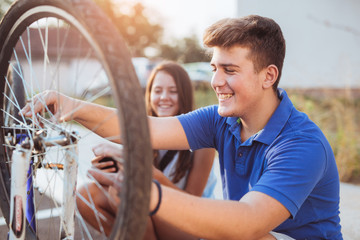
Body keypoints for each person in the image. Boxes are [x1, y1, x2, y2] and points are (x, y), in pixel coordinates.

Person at [21, 15, 343, 239]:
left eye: (230, 70)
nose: (216, 81)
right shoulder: (223, 119)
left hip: (264, 234)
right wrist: (72, 105)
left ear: (268, 76)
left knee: (239, 233)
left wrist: (149, 194)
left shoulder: (301, 143)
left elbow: (247, 223)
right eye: (215, 68)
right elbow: (144, 130)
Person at [75, 61, 217, 239]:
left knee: (124, 194)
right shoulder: (145, 133)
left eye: (173, 91)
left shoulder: (202, 138)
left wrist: (153, 174)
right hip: (154, 214)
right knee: (86, 194)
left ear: (185, 95)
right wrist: (109, 171)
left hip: (190, 224)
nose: (164, 97)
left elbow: (192, 204)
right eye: (157, 91)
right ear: (149, 95)